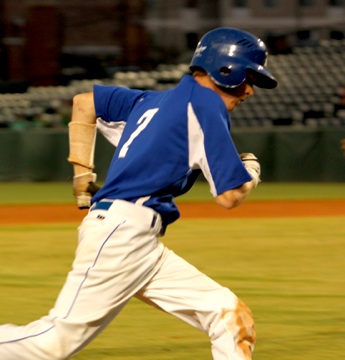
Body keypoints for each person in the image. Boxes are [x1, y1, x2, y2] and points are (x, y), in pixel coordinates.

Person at [0, 27, 277, 360]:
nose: (250, 90)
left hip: (138, 240)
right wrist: (251, 172)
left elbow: (84, 103)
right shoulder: (205, 104)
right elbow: (230, 196)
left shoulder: (154, 100)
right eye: (249, 77)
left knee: (227, 313)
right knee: (52, 343)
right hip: (122, 236)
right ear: (226, 69)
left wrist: (82, 174)